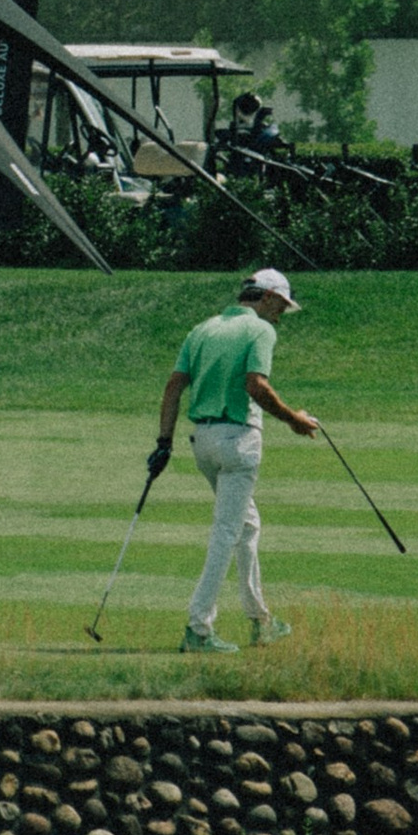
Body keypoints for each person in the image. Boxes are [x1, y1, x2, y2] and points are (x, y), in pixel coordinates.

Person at [153, 265, 318, 655]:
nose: (281, 315)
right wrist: (294, 419)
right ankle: (198, 628)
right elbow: (256, 386)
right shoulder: (261, 330)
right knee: (227, 533)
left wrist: (164, 441)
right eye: (280, 306)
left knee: (247, 525)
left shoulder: (204, 328)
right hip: (238, 440)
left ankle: (260, 620)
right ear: (267, 297)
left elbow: (174, 386)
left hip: (204, 443)